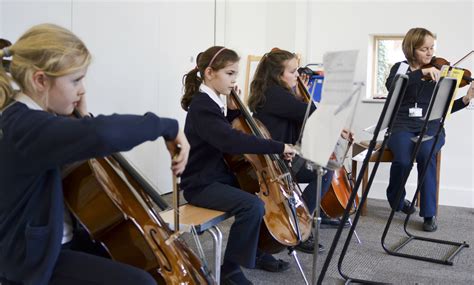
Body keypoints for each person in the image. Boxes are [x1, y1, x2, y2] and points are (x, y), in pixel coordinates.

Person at [0, 23, 190, 285]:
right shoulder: (25, 126)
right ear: (40, 80)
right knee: (139, 282)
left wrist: (81, 118)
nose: (82, 90)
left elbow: (82, 137)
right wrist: (169, 126)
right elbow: (102, 134)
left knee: (132, 258)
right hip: (35, 261)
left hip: (57, 238)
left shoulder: (34, 119)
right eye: (75, 80)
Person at [180, 46, 297, 285]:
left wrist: (232, 114)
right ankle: (231, 270)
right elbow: (230, 140)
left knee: (262, 194)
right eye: (230, 74)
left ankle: (258, 250)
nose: (234, 81)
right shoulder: (202, 106)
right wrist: (278, 146)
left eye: (236, 74)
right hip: (201, 184)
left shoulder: (214, 102)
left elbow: (221, 132)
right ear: (210, 73)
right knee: (252, 205)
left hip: (217, 176)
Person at [247, 48, 349, 254]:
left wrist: (298, 89)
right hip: (278, 161)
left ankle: (308, 214)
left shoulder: (274, 92)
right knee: (324, 169)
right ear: (278, 75)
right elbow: (310, 113)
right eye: (292, 72)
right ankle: (301, 223)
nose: (297, 75)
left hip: (282, 155)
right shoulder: (275, 95)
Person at [385, 27, 474, 232]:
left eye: (432, 48)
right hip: (402, 125)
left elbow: (445, 108)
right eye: (424, 49)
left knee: (426, 154)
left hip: (431, 125)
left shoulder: (441, 71)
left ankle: (428, 213)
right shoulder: (400, 68)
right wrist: (421, 73)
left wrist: (467, 98)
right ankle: (397, 199)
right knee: (403, 159)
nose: (430, 53)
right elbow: (393, 85)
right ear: (411, 48)